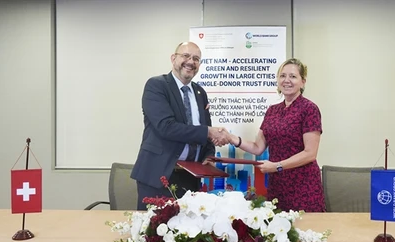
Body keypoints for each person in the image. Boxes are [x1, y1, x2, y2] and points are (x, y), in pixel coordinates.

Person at [131, 41, 228, 210]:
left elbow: (205, 132)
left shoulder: (200, 93)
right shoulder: (156, 86)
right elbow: (166, 127)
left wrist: (209, 155)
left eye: (196, 58)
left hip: (190, 177)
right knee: (154, 232)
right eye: (186, 56)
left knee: (188, 232)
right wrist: (207, 132)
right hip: (159, 175)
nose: (191, 61)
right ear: (173, 58)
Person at [222, 58, 326, 212]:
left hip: (303, 185)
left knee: (305, 232)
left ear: (302, 82)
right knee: (279, 232)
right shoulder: (272, 110)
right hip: (277, 185)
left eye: (293, 76)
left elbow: (310, 153)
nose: (287, 80)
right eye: (282, 76)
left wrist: (277, 166)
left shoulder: (309, 109)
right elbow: (258, 147)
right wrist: (231, 138)